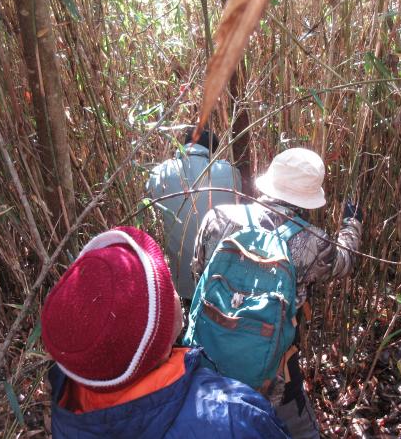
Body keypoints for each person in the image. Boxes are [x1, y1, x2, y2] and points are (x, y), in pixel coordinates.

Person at [41, 226, 290, 438]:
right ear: (156, 340)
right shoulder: (234, 416)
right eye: (166, 285)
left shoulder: (67, 398)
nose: (174, 291)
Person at [191, 147, 363, 439]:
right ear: (309, 197)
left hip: (210, 359)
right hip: (274, 370)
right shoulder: (312, 241)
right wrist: (352, 223)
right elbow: (345, 262)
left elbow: (200, 273)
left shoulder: (217, 217)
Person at [147, 129, 241, 302]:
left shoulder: (160, 173)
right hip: (219, 280)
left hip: (180, 281)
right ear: (212, 150)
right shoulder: (230, 173)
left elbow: (149, 198)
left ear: (185, 144)